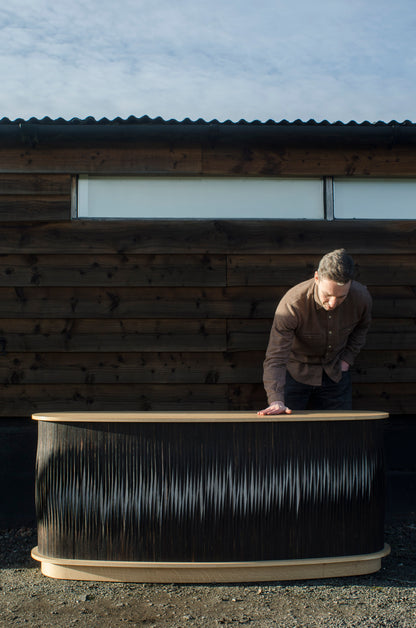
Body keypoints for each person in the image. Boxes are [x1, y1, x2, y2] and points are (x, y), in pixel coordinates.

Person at [257, 249, 372, 415]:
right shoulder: (292, 304)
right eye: (328, 295)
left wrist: (347, 359)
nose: (333, 303)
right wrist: (276, 399)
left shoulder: (361, 298)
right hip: (296, 374)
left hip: (336, 373)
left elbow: (362, 327)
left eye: (341, 297)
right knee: (290, 434)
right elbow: (276, 355)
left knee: (340, 432)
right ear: (317, 278)